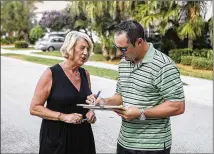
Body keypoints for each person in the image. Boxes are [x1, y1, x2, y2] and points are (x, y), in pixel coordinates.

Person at [86, 20, 185, 154]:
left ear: (139, 42)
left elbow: (178, 106)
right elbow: (120, 95)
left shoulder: (164, 66)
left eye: (124, 49)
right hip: (124, 142)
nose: (120, 53)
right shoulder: (124, 63)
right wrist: (104, 102)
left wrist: (142, 113)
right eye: (118, 48)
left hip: (152, 146)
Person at [30, 31, 96, 154]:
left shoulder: (85, 74)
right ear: (70, 48)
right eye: (82, 48)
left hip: (83, 137)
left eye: (88, 49)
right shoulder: (51, 73)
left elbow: (86, 103)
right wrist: (64, 117)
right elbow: (34, 108)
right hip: (57, 138)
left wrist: (90, 111)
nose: (86, 53)